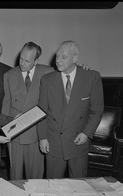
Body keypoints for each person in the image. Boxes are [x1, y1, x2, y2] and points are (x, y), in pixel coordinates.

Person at [37, 40, 104, 178]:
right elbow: (41, 113)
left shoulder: (91, 77)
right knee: (53, 186)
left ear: (75, 58)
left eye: (64, 57)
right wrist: (42, 138)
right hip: (54, 142)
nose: (58, 60)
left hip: (78, 141)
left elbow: (96, 111)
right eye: (57, 56)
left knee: (78, 186)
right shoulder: (47, 80)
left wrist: (86, 133)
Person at [1, 42, 54, 180]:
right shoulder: (9, 75)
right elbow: (6, 106)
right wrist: (8, 126)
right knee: (15, 177)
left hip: (37, 133)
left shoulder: (48, 72)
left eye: (27, 60)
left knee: (35, 177)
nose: (22, 63)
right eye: (21, 58)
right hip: (16, 132)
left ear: (36, 61)